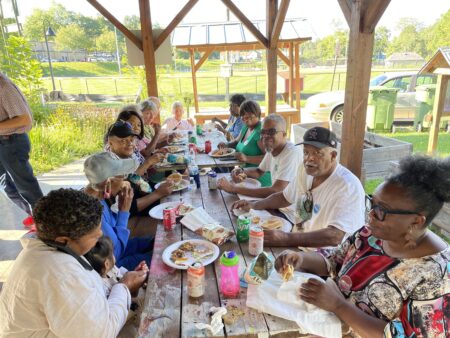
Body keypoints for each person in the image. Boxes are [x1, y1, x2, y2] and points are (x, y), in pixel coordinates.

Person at [274, 155, 450, 337]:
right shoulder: (370, 235)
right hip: (324, 323)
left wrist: (338, 305)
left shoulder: (437, 275)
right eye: (372, 204)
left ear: (416, 221)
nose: (370, 215)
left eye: (382, 211)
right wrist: (301, 258)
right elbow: (334, 261)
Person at [0, 188, 147, 337]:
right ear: (63, 240)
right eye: (95, 238)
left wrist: (125, 282)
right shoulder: (59, 273)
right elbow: (100, 334)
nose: (100, 237)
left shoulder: (48, 248)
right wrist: (124, 287)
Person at [232, 126, 365, 250]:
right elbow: (285, 197)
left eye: (317, 153)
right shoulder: (305, 169)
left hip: (328, 260)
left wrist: (286, 238)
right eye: (306, 152)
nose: (309, 159)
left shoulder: (347, 186)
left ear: (333, 156)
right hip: (298, 244)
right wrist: (254, 205)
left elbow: (335, 236)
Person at [217, 114, 301, 221]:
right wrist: (242, 171)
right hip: (276, 206)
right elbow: (258, 171)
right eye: (263, 132)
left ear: (284, 134)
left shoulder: (291, 153)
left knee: (238, 222)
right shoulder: (272, 149)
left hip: (290, 214)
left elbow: (275, 190)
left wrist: (232, 188)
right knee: (232, 213)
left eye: (271, 132)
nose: (265, 136)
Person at [83, 152, 157, 270]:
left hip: (120, 247)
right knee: (158, 258)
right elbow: (115, 253)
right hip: (113, 265)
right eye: (123, 176)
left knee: (155, 242)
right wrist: (124, 212)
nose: (125, 179)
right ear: (108, 183)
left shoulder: (98, 195)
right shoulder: (92, 212)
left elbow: (116, 234)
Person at [106, 121, 173, 216]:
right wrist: (158, 193)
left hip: (144, 198)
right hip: (130, 218)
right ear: (110, 143)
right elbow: (126, 208)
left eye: (131, 139)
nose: (130, 143)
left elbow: (136, 182)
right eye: (123, 141)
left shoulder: (125, 159)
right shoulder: (110, 166)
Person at [0, 72, 43, 220]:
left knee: (26, 187)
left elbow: (24, 120)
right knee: (6, 186)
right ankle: (33, 218)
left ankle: (47, 223)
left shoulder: (3, 86)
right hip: (3, 141)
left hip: (11, 142)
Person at [218, 100, 271, 187]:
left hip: (260, 177)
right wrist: (226, 145)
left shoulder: (260, 132)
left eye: (250, 117)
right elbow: (235, 142)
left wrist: (247, 158)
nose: (247, 120)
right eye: (244, 117)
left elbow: (269, 158)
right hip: (246, 173)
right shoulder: (246, 127)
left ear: (258, 115)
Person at [84, 236, 149, 297]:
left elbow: (131, 290)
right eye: (112, 253)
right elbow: (128, 296)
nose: (114, 255)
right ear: (107, 264)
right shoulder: (103, 289)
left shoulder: (112, 269)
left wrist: (135, 273)